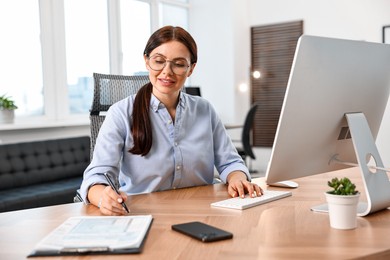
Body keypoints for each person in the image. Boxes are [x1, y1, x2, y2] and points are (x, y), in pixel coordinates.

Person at [79, 25, 262, 216]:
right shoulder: (121, 113)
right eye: (159, 61)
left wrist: (237, 178)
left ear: (191, 69)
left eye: (179, 63)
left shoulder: (204, 110)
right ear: (146, 61)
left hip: (202, 211)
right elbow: (97, 177)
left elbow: (230, 163)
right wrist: (103, 198)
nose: (167, 71)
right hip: (144, 215)